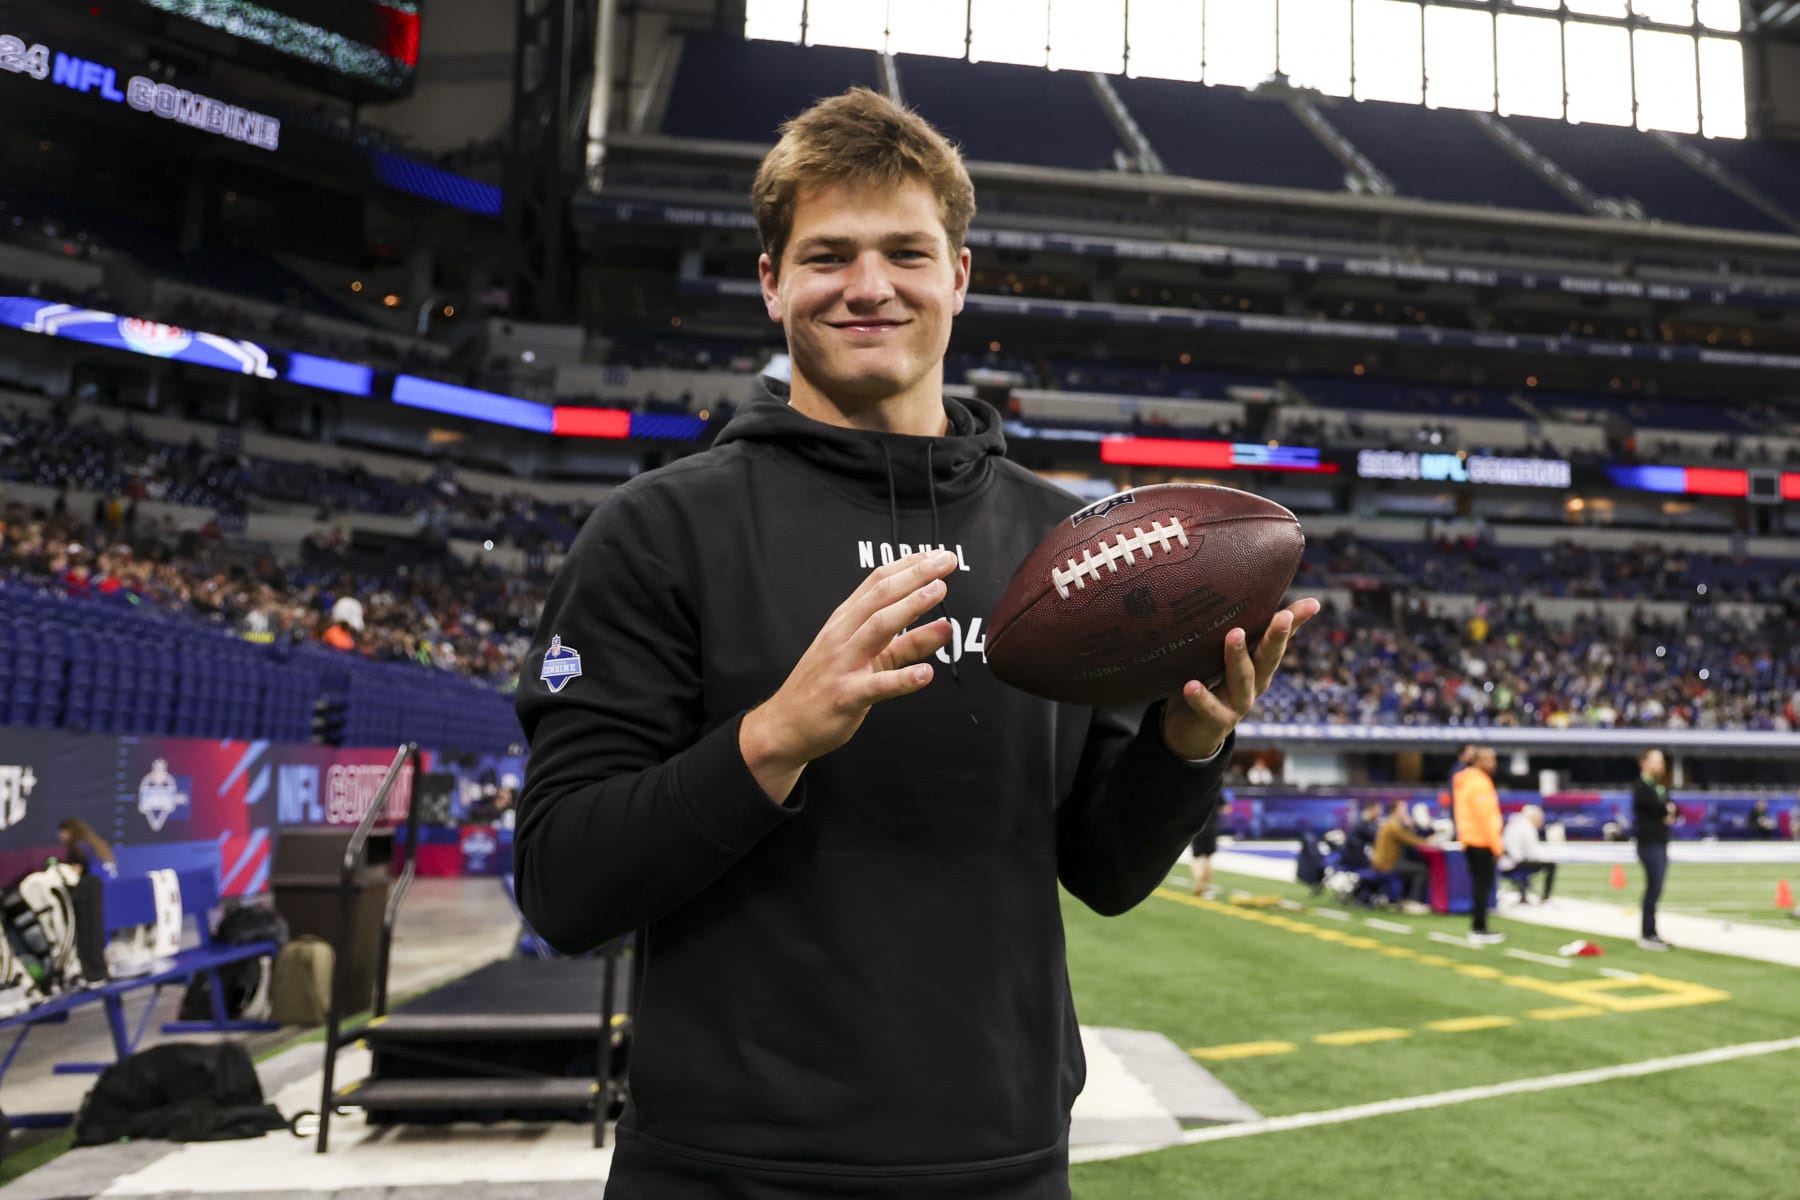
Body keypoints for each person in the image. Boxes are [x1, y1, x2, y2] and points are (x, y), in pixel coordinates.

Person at [512, 87, 1320, 1197]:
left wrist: (1186, 747)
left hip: (1004, 1165)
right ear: (770, 282)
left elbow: (1106, 872)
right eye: (827, 255)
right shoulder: (658, 530)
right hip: (727, 1171)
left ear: (960, 276)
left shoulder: (1063, 544)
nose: (870, 286)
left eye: (906, 251)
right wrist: (774, 739)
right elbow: (564, 885)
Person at [1453, 746, 1504, 944]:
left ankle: (1478, 926)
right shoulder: (1478, 783)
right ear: (1478, 761)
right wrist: (1497, 846)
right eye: (1490, 759)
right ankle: (1479, 928)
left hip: (1470, 839)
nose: (1494, 763)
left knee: (1479, 885)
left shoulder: (1466, 781)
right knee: (1483, 886)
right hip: (1480, 841)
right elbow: (1485, 818)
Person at [57, 817, 115, 984]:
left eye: (63, 832)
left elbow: (74, 875)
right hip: (101, 893)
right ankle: (98, 971)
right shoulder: (95, 845)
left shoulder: (77, 849)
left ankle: (92, 974)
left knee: (87, 932)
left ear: (71, 831)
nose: (60, 836)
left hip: (90, 895)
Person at [1633, 748, 1675, 951]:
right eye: (1656, 761)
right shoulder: (1642, 787)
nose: (1661, 765)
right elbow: (1660, 809)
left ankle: (1652, 932)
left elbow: (1672, 809)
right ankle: (1647, 933)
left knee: (1657, 888)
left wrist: (1667, 811)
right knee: (1653, 888)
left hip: (1660, 841)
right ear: (1644, 763)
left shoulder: (1659, 786)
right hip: (1649, 842)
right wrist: (1666, 811)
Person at [1371, 799, 1432, 913]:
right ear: (1395, 811)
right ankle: (1413, 902)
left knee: (1412, 865)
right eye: (1403, 809)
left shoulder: (1391, 823)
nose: (1405, 811)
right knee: (1421, 869)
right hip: (1387, 863)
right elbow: (1409, 839)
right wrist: (1427, 841)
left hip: (1387, 861)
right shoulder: (1393, 825)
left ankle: (1404, 898)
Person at [1500, 804, 1557, 903]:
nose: (1541, 822)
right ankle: (1546, 897)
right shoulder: (1527, 827)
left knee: (1531, 862)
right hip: (1515, 863)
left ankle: (1524, 894)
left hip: (1505, 863)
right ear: (1534, 817)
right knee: (1551, 865)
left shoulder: (1513, 824)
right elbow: (1532, 853)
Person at [1189, 800, 1220, 898]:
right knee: (1208, 858)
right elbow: (1226, 809)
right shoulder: (1216, 789)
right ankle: (1206, 886)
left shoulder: (1194, 790)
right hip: (1211, 828)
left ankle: (1200, 883)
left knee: (1196, 858)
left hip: (1198, 828)